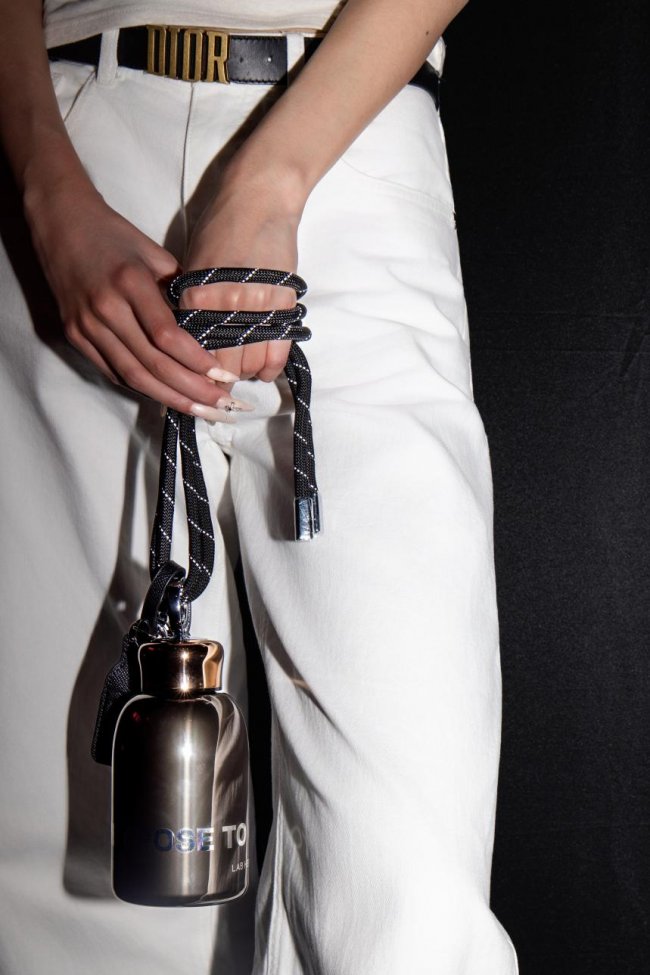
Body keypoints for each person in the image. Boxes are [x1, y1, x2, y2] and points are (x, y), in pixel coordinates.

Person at [0, 1, 519, 972]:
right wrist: (43, 188)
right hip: (72, 176)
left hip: (347, 142)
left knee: (405, 881)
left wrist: (270, 176)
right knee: (83, 873)